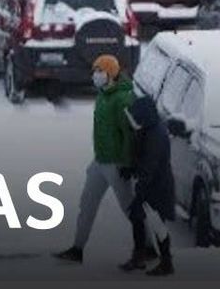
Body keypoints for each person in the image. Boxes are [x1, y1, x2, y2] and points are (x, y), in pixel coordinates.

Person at [54, 54, 150, 264]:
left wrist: (127, 163)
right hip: (100, 160)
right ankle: (77, 249)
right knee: (87, 203)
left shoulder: (122, 99)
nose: (96, 75)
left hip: (116, 163)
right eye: (95, 71)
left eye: (100, 71)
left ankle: (148, 248)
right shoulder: (103, 95)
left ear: (111, 74)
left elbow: (130, 135)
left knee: (129, 208)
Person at [121, 95, 176, 276]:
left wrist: (140, 194)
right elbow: (140, 157)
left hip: (157, 188)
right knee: (137, 218)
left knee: (158, 224)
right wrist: (130, 168)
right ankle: (139, 256)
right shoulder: (147, 128)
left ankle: (166, 262)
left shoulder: (156, 135)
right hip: (149, 184)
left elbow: (150, 166)